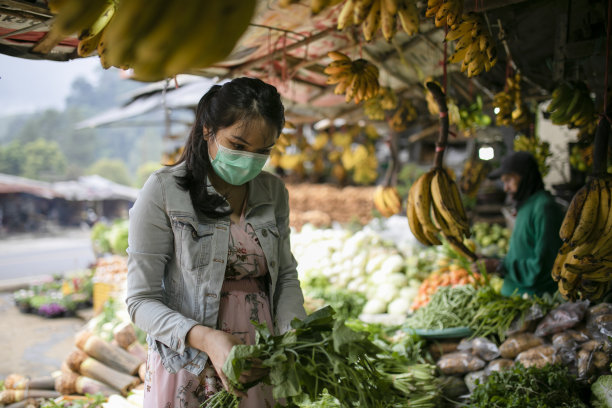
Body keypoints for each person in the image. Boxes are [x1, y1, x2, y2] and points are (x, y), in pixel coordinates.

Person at [126, 77, 306, 407]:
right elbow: (141, 301)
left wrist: (294, 334)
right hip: (189, 365)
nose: (249, 159)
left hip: (259, 363)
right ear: (208, 130)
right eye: (237, 145)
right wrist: (207, 339)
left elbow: (285, 277)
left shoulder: (273, 192)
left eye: (262, 151)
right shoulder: (164, 191)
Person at [472, 151, 564, 297]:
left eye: (509, 180)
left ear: (526, 177)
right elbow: (523, 253)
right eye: (503, 182)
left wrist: (500, 266)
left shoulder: (545, 208)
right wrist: (495, 260)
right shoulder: (526, 205)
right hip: (516, 296)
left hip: (535, 302)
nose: (505, 188)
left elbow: (546, 266)